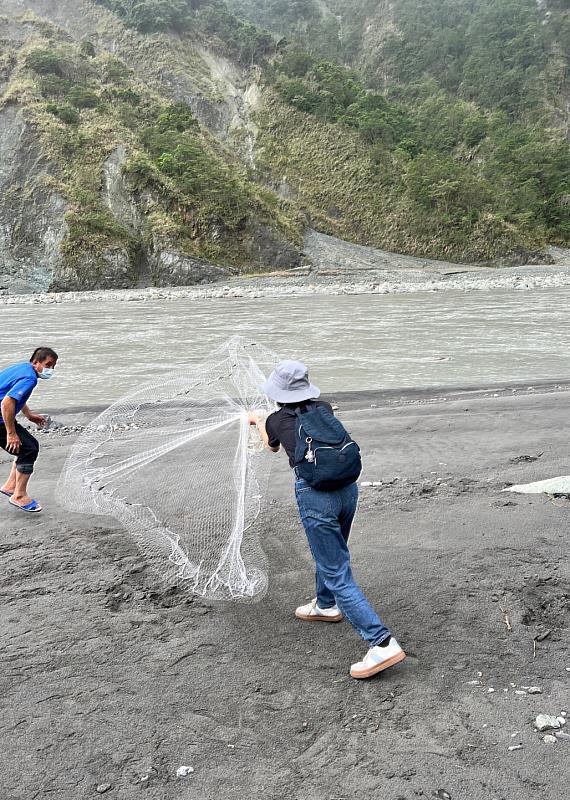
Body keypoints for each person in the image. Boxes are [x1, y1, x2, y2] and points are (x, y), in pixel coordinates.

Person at [249, 359, 406, 680]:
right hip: (347, 488)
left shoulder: (276, 419)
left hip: (315, 494)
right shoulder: (324, 407)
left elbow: (273, 448)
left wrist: (258, 422)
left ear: (277, 392)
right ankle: (325, 605)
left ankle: (381, 643)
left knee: (336, 571)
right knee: (333, 553)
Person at [0, 347, 58, 513]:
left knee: (26, 446)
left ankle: (11, 486)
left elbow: (12, 395)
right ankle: (19, 496)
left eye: (53, 366)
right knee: (29, 449)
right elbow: (7, 403)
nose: (50, 369)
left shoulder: (22, 369)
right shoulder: (30, 378)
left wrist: (28, 414)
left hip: (1, 415)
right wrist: (11, 433)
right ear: (35, 362)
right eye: (48, 365)